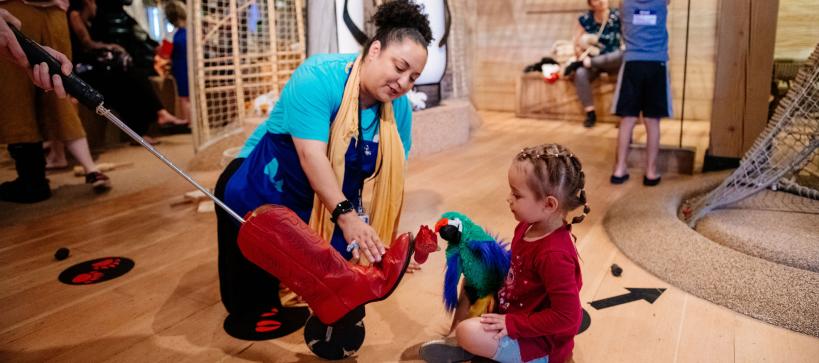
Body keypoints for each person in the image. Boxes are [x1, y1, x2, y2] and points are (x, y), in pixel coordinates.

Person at [213, 0, 431, 338]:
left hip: (324, 192)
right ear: (374, 50)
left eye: (413, 77)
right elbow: (310, 155)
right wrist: (347, 216)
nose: (403, 82)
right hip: (262, 181)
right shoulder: (318, 76)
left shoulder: (398, 108)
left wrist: (372, 231)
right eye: (399, 67)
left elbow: (387, 172)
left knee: (341, 271)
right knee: (257, 291)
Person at [421, 144, 587, 363]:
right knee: (473, 278)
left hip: (537, 343)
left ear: (548, 204)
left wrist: (511, 324)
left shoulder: (554, 255)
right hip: (514, 308)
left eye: (517, 195)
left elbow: (568, 317)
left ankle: (464, 341)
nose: (509, 199)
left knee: (468, 333)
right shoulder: (526, 226)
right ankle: (454, 338)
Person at [0, 1, 110, 202]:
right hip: (56, 12)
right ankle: (90, 168)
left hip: (15, 6)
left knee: (17, 98)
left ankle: (31, 179)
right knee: (59, 89)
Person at [67, 0, 186, 146]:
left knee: (132, 77)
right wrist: (112, 46)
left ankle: (153, 120)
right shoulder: (75, 15)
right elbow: (86, 43)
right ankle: (152, 120)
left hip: (97, 67)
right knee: (124, 84)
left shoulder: (96, 19)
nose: (96, 5)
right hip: (83, 69)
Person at [610, 0, 671, 186]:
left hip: (632, 64)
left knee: (627, 119)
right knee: (652, 121)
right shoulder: (662, 2)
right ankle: (651, 172)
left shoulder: (625, 3)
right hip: (656, 64)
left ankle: (619, 170)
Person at [565, 0, 623, 128]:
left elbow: (627, 37)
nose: (602, 1)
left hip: (611, 59)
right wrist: (580, 53)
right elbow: (576, 42)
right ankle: (590, 113)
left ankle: (622, 115)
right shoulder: (585, 18)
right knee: (580, 73)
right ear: (591, 4)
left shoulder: (617, 15)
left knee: (622, 57)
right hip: (591, 61)